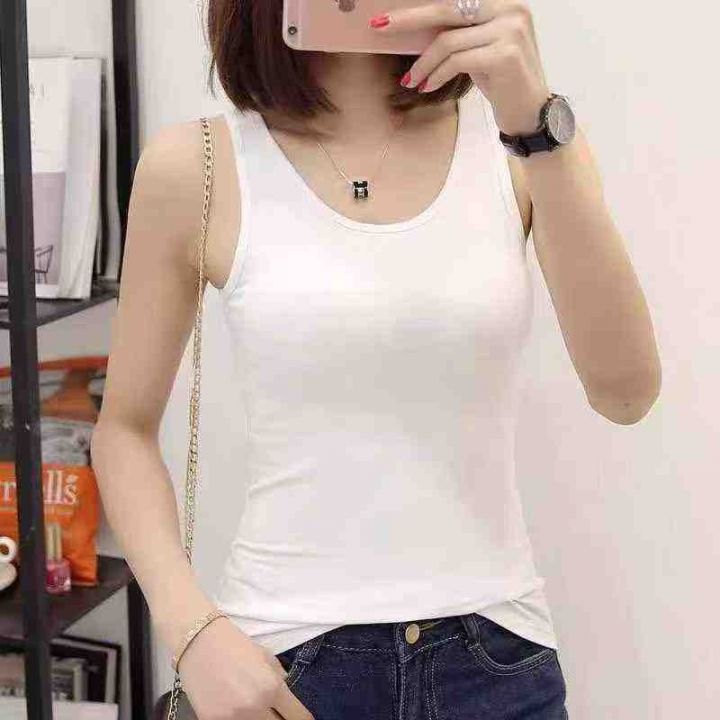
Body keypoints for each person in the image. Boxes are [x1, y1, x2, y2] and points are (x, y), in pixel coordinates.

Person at [91, 1, 662, 718]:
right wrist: (193, 634)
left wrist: (534, 122)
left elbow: (626, 393)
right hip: (283, 664)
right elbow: (123, 431)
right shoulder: (198, 165)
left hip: (497, 659)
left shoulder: (523, 146)